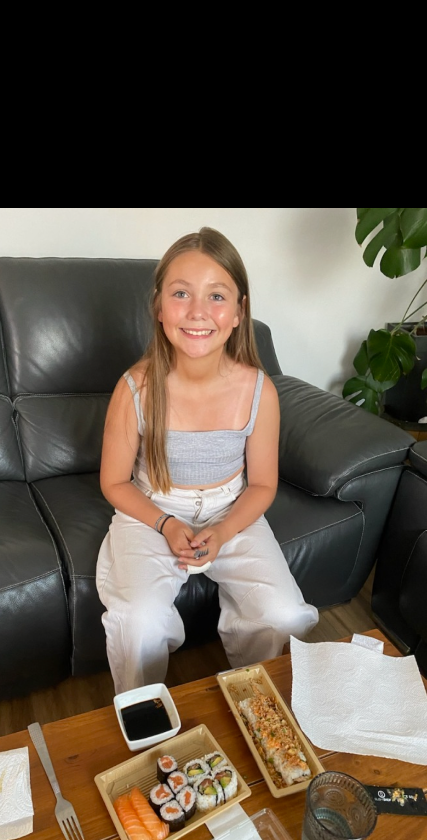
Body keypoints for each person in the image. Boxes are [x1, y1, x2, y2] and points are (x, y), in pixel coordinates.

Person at [96, 226, 319, 695]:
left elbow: (262, 485)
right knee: (138, 622)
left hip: (231, 510)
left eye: (216, 296)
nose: (198, 311)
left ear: (239, 312)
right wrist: (165, 524)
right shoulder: (135, 388)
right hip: (151, 511)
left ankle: (255, 702)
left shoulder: (259, 390)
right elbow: (115, 482)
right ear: (159, 307)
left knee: (285, 615)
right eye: (181, 293)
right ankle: (140, 712)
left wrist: (223, 530)